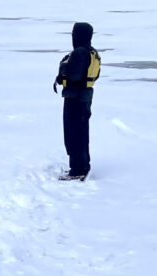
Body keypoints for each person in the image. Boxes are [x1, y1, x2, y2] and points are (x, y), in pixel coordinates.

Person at [53, 22, 100, 180]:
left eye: (74, 33)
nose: (73, 36)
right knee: (81, 133)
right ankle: (83, 165)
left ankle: (77, 170)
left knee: (73, 134)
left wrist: (64, 68)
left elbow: (74, 74)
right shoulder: (92, 52)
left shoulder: (80, 52)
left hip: (76, 98)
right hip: (85, 97)